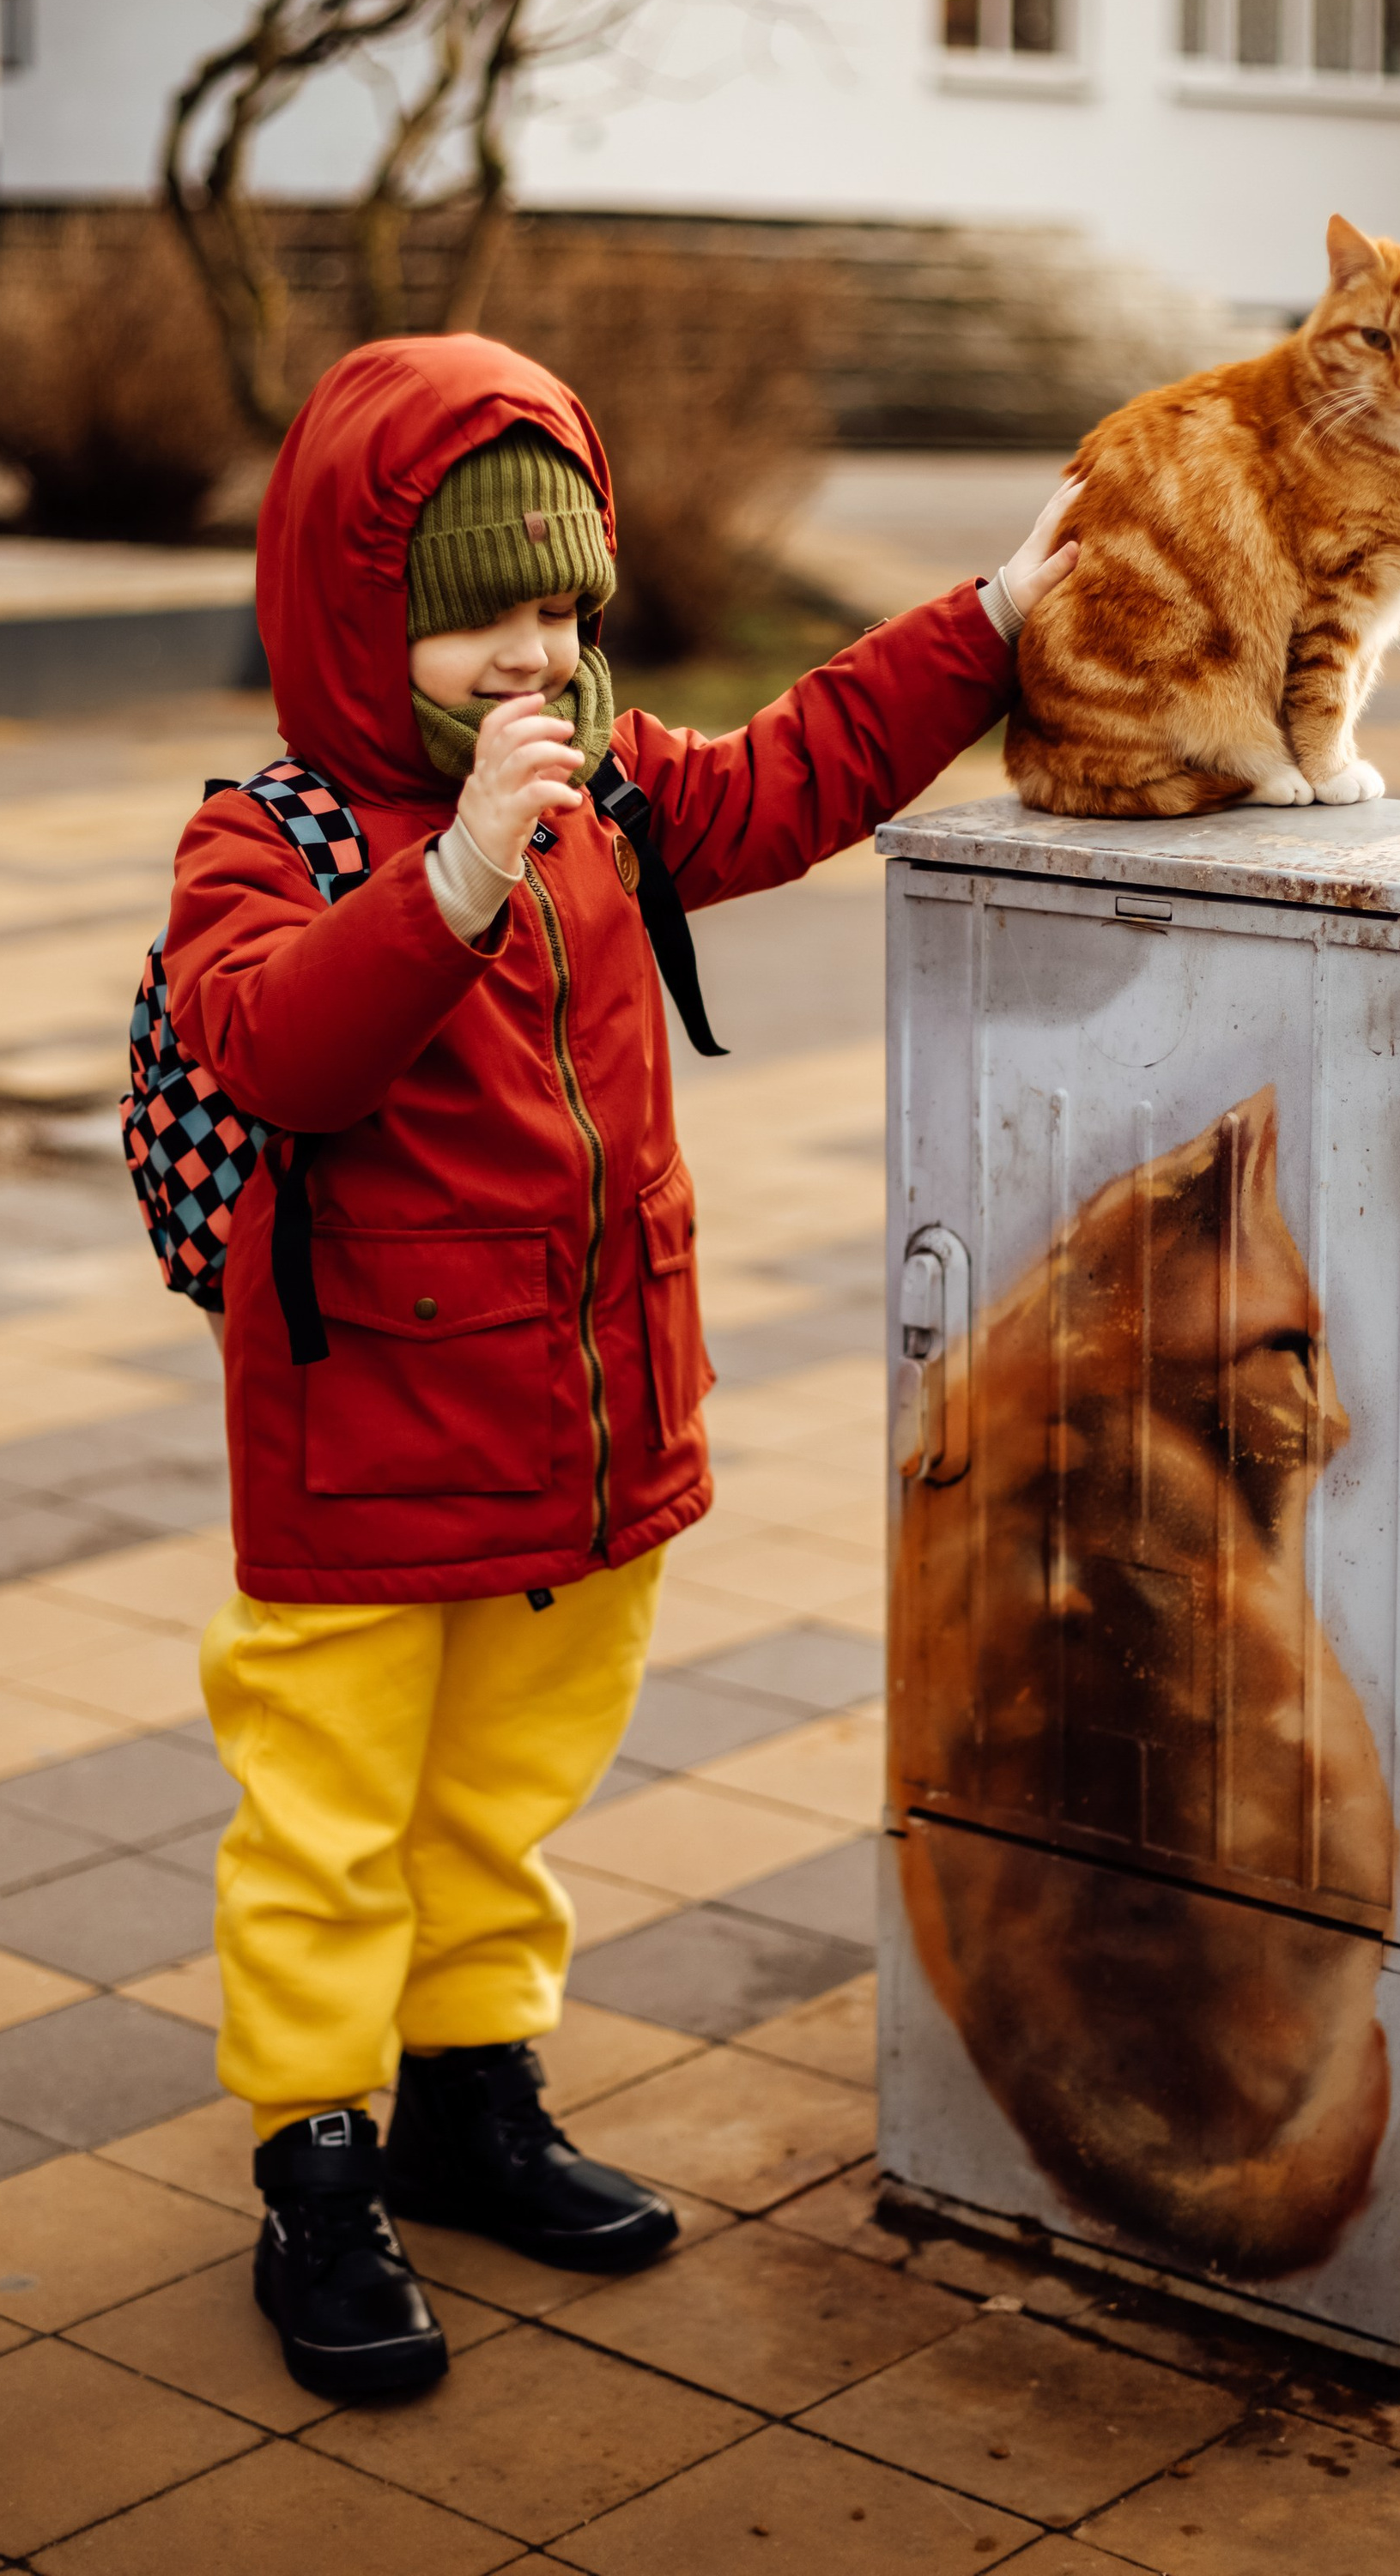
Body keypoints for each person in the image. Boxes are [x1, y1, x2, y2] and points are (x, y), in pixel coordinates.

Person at [162, 332, 1078, 2399]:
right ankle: (315, 2160)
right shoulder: (272, 838)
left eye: (563, 606)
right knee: (328, 1822)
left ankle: (467, 2094)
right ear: (358, 616)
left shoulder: (610, 788)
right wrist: (455, 875)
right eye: (479, 612)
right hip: (364, 1458)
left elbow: (791, 773)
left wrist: (993, 624)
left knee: (505, 1794)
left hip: (581, 1441)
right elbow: (277, 1043)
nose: (532, 656)